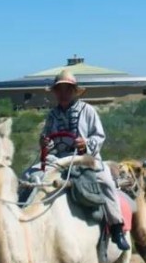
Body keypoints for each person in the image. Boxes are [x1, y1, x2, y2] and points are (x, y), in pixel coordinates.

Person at [40, 70, 130, 251]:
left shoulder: (88, 110)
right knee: (33, 177)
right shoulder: (52, 115)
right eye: (60, 89)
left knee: (105, 181)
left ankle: (116, 227)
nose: (63, 93)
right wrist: (44, 142)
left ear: (74, 91)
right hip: (58, 160)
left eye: (67, 89)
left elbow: (99, 135)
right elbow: (46, 137)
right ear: (55, 93)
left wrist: (86, 144)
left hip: (85, 159)